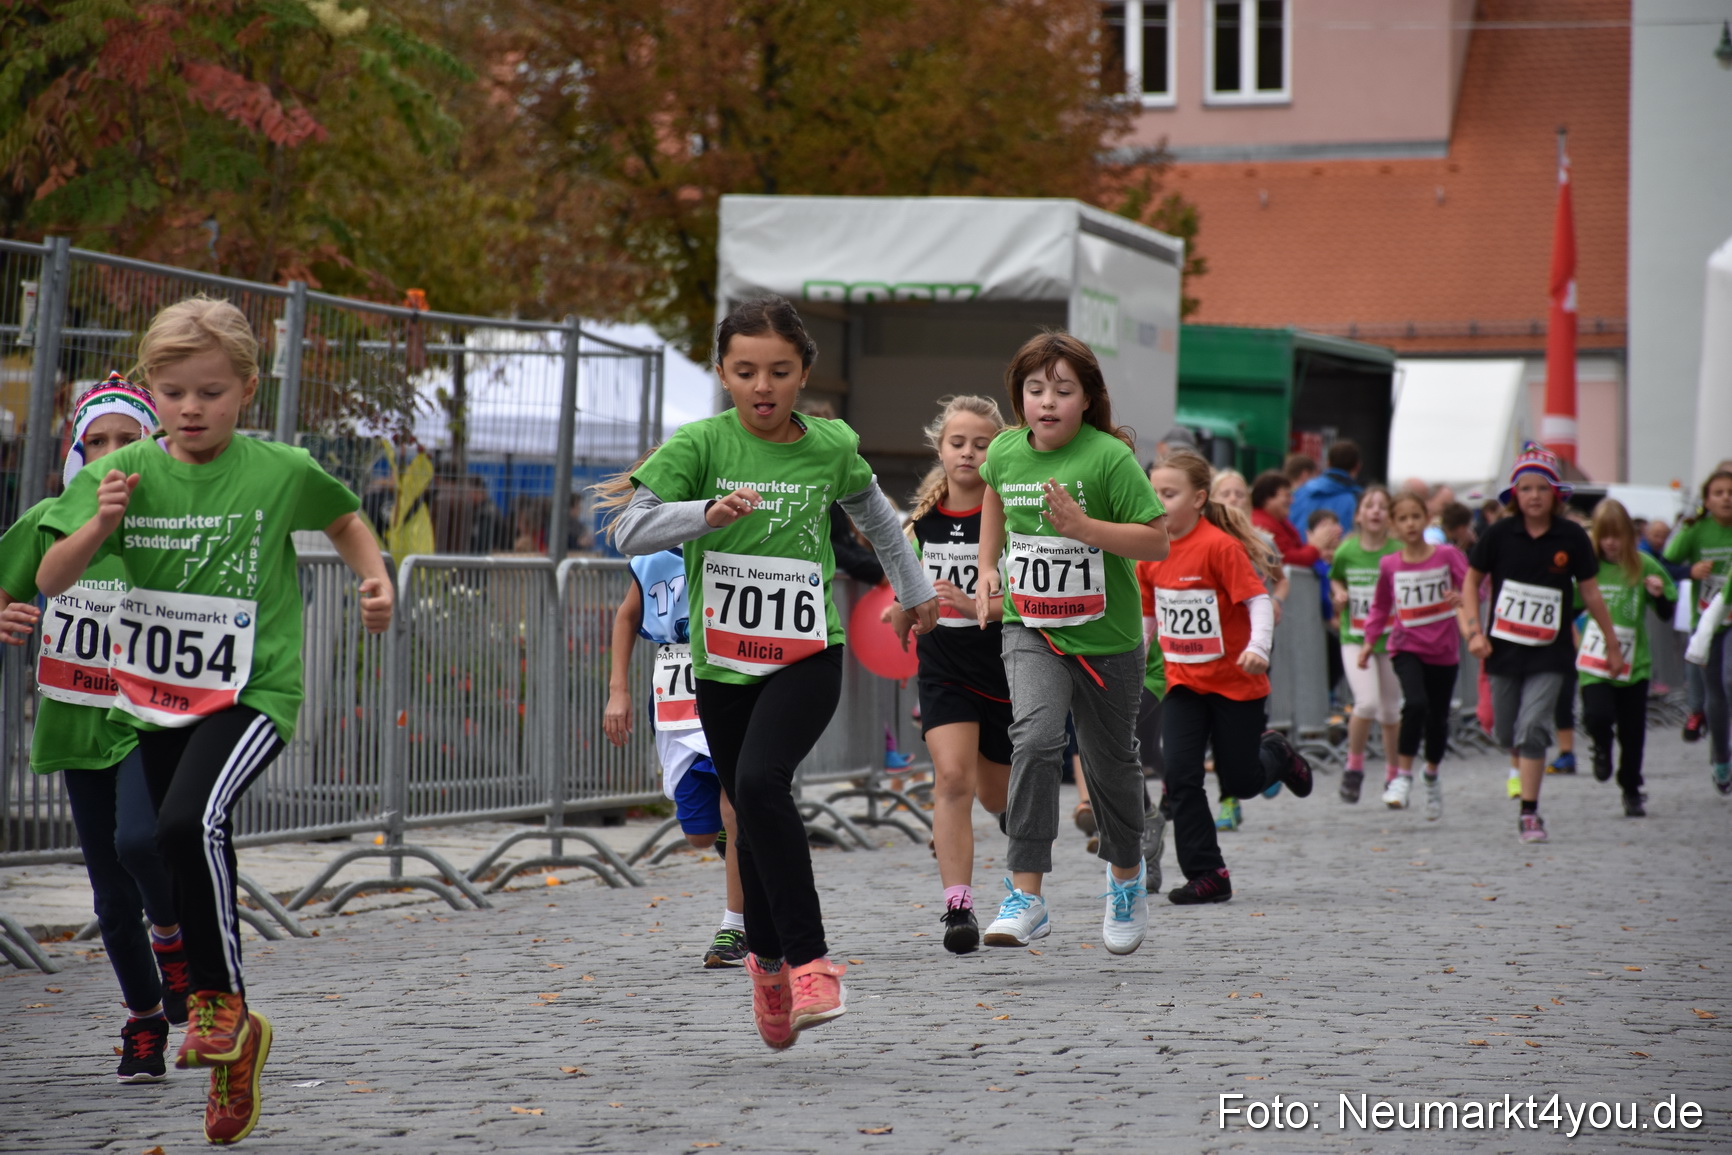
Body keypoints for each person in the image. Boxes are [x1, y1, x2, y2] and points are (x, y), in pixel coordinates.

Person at [38, 298, 394, 1144]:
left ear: (247, 391)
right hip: (159, 698)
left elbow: (344, 517)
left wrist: (375, 578)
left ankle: (219, 1003)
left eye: (211, 391)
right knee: (173, 839)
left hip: (253, 692)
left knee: (190, 818)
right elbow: (52, 577)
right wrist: (99, 523)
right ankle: (235, 1048)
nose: (191, 408)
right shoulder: (122, 474)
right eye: (173, 392)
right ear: (152, 393)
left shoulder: (278, 469)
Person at [611, 295, 938, 1050]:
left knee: (759, 784)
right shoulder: (699, 444)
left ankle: (811, 960)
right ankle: (765, 964)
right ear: (723, 373)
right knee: (749, 820)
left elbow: (878, 516)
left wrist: (914, 592)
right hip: (722, 668)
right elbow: (628, 527)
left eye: (780, 371)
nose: (764, 385)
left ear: (803, 375)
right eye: (747, 370)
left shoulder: (829, 445)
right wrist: (706, 514)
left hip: (806, 653)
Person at [0, 375, 191, 1084]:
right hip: (78, 723)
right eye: (96, 441)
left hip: (145, 718)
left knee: (141, 840)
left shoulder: (171, 521)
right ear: (76, 450)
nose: (111, 453)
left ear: (153, 446)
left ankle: (172, 938)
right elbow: (10, 582)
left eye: (127, 439)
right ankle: (143, 1021)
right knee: (110, 898)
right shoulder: (54, 517)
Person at [973, 332, 1169, 954]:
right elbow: (995, 498)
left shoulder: (1108, 458)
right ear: (1019, 397)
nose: (1047, 402)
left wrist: (1084, 528)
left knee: (1112, 767)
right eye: (1035, 390)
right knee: (1034, 737)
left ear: (1087, 399)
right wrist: (985, 569)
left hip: (1107, 639)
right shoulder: (1005, 450)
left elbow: (1156, 541)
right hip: (1031, 628)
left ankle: (1126, 878)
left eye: (1062, 390)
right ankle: (1025, 893)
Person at [1146, 450, 1312, 905]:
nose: (1157, 501)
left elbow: (1258, 601)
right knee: (1180, 774)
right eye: (1153, 492)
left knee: (1240, 781)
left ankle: (1277, 753)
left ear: (1199, 499)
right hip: (1183, 683)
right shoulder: (1150, 547)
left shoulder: (1219, 546)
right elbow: (1147, 616)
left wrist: (1258, 647)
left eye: (1169, 493)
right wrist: (1131, 662)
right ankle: (1208, 872)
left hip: (1235, 682)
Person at [881, 395, 1012, 954]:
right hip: (943, 670)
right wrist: (901, 611)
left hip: (1006, 667)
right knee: (952, 780)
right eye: (958, 443)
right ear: (940, 449)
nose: (968, 453)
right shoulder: (920, 526)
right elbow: (906, 594)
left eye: (981, 444)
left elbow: (1033, 600)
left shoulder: (1011, 516)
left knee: (995, 798)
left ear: (998, 452)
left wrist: (974, 604)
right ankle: (958, 907)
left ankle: (1018, 828)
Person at [1461, 444, 1625, 842]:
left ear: (1556, 494)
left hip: (1551, 653)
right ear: (1514, 494)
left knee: (1532, 727)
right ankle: (1520, 769)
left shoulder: (1570, 536)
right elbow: (1470, 582)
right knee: (1505, 731)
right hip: (1502, 651)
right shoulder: (1499, 534)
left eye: (1542, 488)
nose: (1534, 495)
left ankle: (1530, 813)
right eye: (1526, 488)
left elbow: (1590, 593)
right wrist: (1473, 633)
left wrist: (1611, 642)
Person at [598, 541, 748, 968]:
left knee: (735, 809)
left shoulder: (741, 539)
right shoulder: (652, 555)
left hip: (732, 680)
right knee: (700, 833)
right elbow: (627, 615)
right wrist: (618, 690)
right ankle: (739, 845)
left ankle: (734, 927)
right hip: (675, 697)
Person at [1357, 490, 1469, 820]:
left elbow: (1476, 588)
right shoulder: (1390, 564)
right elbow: (1379, 606)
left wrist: (1459, 597)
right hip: (1406, 646)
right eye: (1402, 519)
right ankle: (1402, 777)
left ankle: (1431, 776)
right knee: (1415, 704)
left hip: (1444, 650)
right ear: (1393, 525)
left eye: (1415, 517)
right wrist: (1368, 641)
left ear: (1426, 519)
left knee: (1437, 717)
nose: (1410, 524)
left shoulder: (1447, 556)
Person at [1577, 499, 1677, 816]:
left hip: (1635, 664)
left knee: (1633, 732)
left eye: (1617, 535)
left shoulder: (1643, 564)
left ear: (1629, 536)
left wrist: (1659, 594)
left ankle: (1631, 787)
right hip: (1596, 662)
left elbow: (1667, 612)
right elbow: (1570, 606)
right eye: (1604, 535)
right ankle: (1601, 746)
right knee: (1598, 715)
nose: (1610, 543)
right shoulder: (1588, 567)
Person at [1328, 486, 1402, 804]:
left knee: (1390, 710)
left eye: (1382, 506)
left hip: (1392, 639)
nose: (1375, 511)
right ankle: (1354, 768)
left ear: (1390, 516)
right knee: (1367, 703)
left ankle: (1394, 774)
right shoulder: (1347, 550)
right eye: (1369, 506)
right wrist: (1339, 593)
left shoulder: (1399, 550)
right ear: (1358, 514)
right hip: (1356, 637)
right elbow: (1335, 577)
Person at [1663, 468, 1732, 793]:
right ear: (1707, 500)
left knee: (1730, 679)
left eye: (1731, 492)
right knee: (1714, 694)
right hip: (1707, 624)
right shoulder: (1695, 530)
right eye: (1718, 493)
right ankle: (1721, 756)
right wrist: (1689, 570)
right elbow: (1664, 563)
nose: (1726, 498)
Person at [1251, 470, 1338, 568]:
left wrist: (1319, 552)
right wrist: (1315, 547)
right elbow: (1285, 559)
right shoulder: (1262, 525)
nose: (1292, 500)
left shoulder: (1277, 522)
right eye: (1287, 495)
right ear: (1267, 498)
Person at [1288, 440, 1363, 539]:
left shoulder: (1299, 493)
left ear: (1328, 463)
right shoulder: (1361, 502)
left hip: (1299, 553)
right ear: (1358, 467)